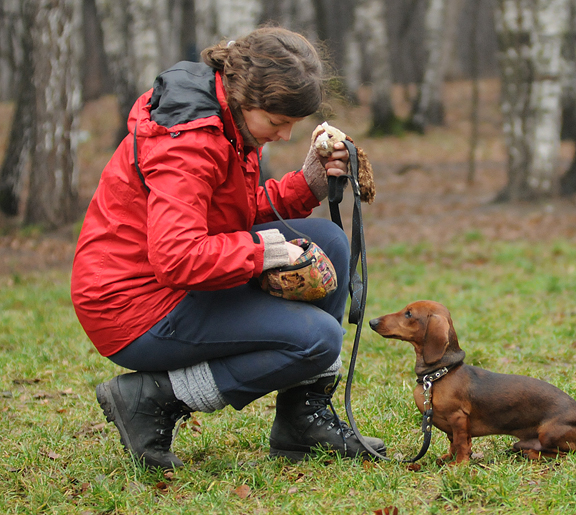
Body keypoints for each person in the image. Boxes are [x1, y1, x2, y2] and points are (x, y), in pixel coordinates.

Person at [71, 26, 385, 469]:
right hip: (132, 309)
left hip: (169, 290)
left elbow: (229, 213)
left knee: (329, 241)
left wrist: (308, 183)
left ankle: (302, 420)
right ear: (243, 95)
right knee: (318, 339)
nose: (284, 135)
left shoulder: (226, 122)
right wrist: (266, 253)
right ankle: (153, 397)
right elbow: (178, 257)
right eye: (277, 123)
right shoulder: (189, 143)